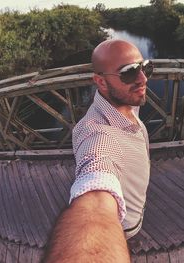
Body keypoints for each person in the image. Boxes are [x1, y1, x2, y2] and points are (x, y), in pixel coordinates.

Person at [44, 39, 153, 262]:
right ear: (101, 83)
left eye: (146, 67)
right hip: (125, 225)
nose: (143, 79)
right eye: (130, 73)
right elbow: (95, 197)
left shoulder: (126, 101)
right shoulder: (98, 136)